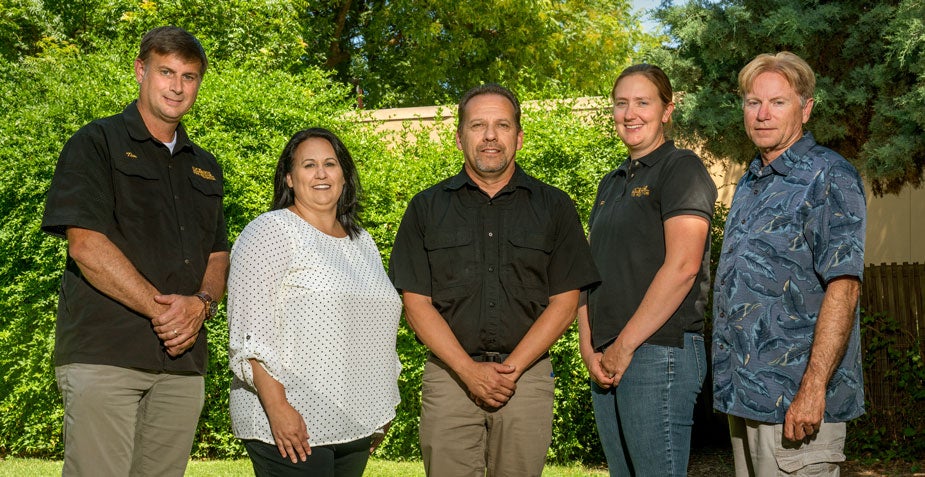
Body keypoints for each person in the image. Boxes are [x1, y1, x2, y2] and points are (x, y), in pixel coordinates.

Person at [41, 26, 228, 476]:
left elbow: (218, 255)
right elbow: (86, 245)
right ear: (141, 71)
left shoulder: (205, 166)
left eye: (190, 76)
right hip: (106, 355)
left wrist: (201, 305)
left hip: (182, 365)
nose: (178, 86)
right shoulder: (96, 143)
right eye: (166, 72)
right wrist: (166, 313)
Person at [388, 83, 600, 476]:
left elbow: (565, 302)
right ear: (458, 137)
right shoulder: (425, 208)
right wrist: (469, 372)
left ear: (518, 137)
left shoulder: (555, 206)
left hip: (527, 377)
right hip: (450, 376)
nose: (489, 136)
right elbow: (416, 305)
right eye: (477, 125)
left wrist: (512, 369)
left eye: (502, 125)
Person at [713, 51, 867, 476]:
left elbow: (844, 287)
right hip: (746, 398)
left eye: (778, 102)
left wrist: (814, 389)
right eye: (752, 102)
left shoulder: (829, 176)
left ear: (806, 107)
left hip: (795, 404)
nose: (763, 114)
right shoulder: (750, 183)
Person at [227, 127, 402, 477]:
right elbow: (249, 333)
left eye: (330, 164)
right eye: (308, 165)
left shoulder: (361, 241)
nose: (321, 173)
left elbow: (374, 328)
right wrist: (278, 409)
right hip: (294, 420)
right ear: (290, 178)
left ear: (344, 175)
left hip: (354, 422)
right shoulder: (270, 231)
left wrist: (379, 409)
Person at [577, 64, 717, 476]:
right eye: (622, 103)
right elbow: (589, 274)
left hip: (659, 352)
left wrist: (625, 345)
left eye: (643, 102)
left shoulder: (681, 169)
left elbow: (683, 266)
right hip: (606, 357)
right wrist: (590, 347)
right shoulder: (610, 183)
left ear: (667, 110)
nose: (630, 113)